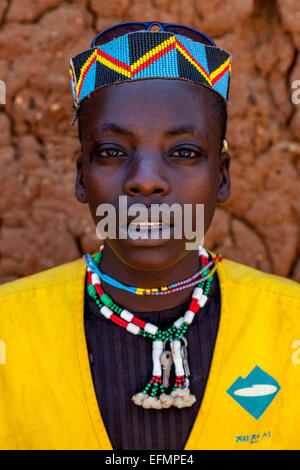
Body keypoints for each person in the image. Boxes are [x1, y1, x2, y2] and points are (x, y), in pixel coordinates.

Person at [0, 22, 299, 451]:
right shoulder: (9, 332)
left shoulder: (291, 327)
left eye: (184, 152)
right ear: (81, 177)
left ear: (222, 177)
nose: (145, 182)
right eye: (112, 152)